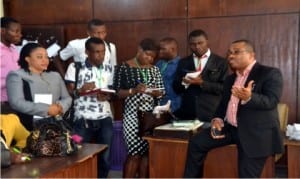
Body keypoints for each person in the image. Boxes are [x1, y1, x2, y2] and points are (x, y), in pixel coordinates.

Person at [183, 39, 284, 178]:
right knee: (196, 143)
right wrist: (217, 119)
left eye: (236, 52)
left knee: (246, 175)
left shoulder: (270, 73)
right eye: (229, 53)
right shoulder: (230, 79)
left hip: (255, 134)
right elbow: (223, 105)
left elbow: (271, 101)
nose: (230, 56)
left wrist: (249, 97)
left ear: (251, 55)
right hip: (231, 129)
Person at [113, 38, 164, 178]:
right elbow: (117, 93)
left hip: (150, 117)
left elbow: (161, 92)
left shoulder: (155, 70)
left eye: (153, 57)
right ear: (139, 50)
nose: (149, 59)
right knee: (134, 153)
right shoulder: (123, 67)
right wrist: (133, 91)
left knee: (147, 153)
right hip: (132, 116)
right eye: (147, 54)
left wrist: (154, 92)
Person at [64, 37, 113, 178]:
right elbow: (69, 92)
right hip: (81, 120)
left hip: (105, 119)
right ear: (87, 52)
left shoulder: (109, 68)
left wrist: (107, 96)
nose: (101, 55)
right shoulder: (75, 67)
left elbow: (111, 91)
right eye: (96, 52)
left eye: (103, 52)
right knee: (77, 154)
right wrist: (81, 90)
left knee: (105, 157)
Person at [6, 43, 72, 131]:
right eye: (39, 57)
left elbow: (67, 98)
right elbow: (16, 102)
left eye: (46, 57)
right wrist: (47, 109)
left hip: (56, 123)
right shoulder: (17, 76)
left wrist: (60, 107)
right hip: (29, 126)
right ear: (27, 59)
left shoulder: (55, 76)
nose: (45, 60)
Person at [173, 29, 228, 122]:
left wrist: (202, 83)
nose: (197, 47)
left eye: (200, 43)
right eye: (193, 44)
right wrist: (185, 83)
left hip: (210, 113)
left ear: (207, 41)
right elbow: (176, 88)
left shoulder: (221, 62)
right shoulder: (183, 62)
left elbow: (224, 88)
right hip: (187, 114)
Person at [54, 18, 117, 85]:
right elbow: (57, 59)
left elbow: (113, 67)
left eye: (103, 32)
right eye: (97, 33)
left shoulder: (110, 47)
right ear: (88, 32)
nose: (101, 36)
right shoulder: (76, 45)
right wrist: (66, 78)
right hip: (82, 87)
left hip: (104, 87)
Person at [1, 17, 22, 114]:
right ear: (2, 31)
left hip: (16, 101)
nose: (20, 35)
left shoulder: (14, 49)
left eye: (20, 32)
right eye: (16, 31)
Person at [155, 37, 181, 112]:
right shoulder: (159, 64)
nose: (160, 51)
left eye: (163, 49)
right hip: (158, 105)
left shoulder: (181, 64)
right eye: (159, 49)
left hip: (173, 107)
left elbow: (183, 91)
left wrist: (173, 107)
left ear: (172, 49)